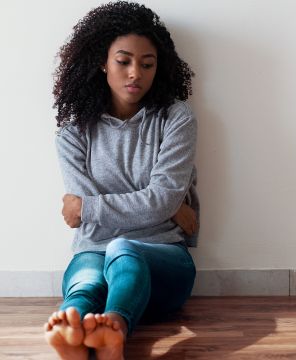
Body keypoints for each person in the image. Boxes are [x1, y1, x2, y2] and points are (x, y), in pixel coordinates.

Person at [44, 2, 199, 359]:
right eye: (123, 61)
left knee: (122, 249)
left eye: (147, 64)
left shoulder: (176, 119)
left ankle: (112, 328)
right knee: (86, 283)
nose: (135, 73)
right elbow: (158, 202)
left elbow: (88, 208)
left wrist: (93, 206)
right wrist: (163, 207)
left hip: (164, 261)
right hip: (92, 252)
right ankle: (76, 331)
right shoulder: (71, 134)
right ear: (102, 61)